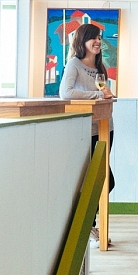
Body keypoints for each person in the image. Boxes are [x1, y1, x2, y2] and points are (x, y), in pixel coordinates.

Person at [59, 23, 116, 248]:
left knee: (102, 179)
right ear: (81, 42)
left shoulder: (100, 66)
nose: (98, 42)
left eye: (99, 38)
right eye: (93, 38)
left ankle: (89, 226)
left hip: (106, 127)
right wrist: (98, 95)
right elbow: (66, 93)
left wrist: (107, 95)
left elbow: (106, 94)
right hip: (85, 130)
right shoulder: (74, 64)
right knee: (100, 179)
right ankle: (87, 227)